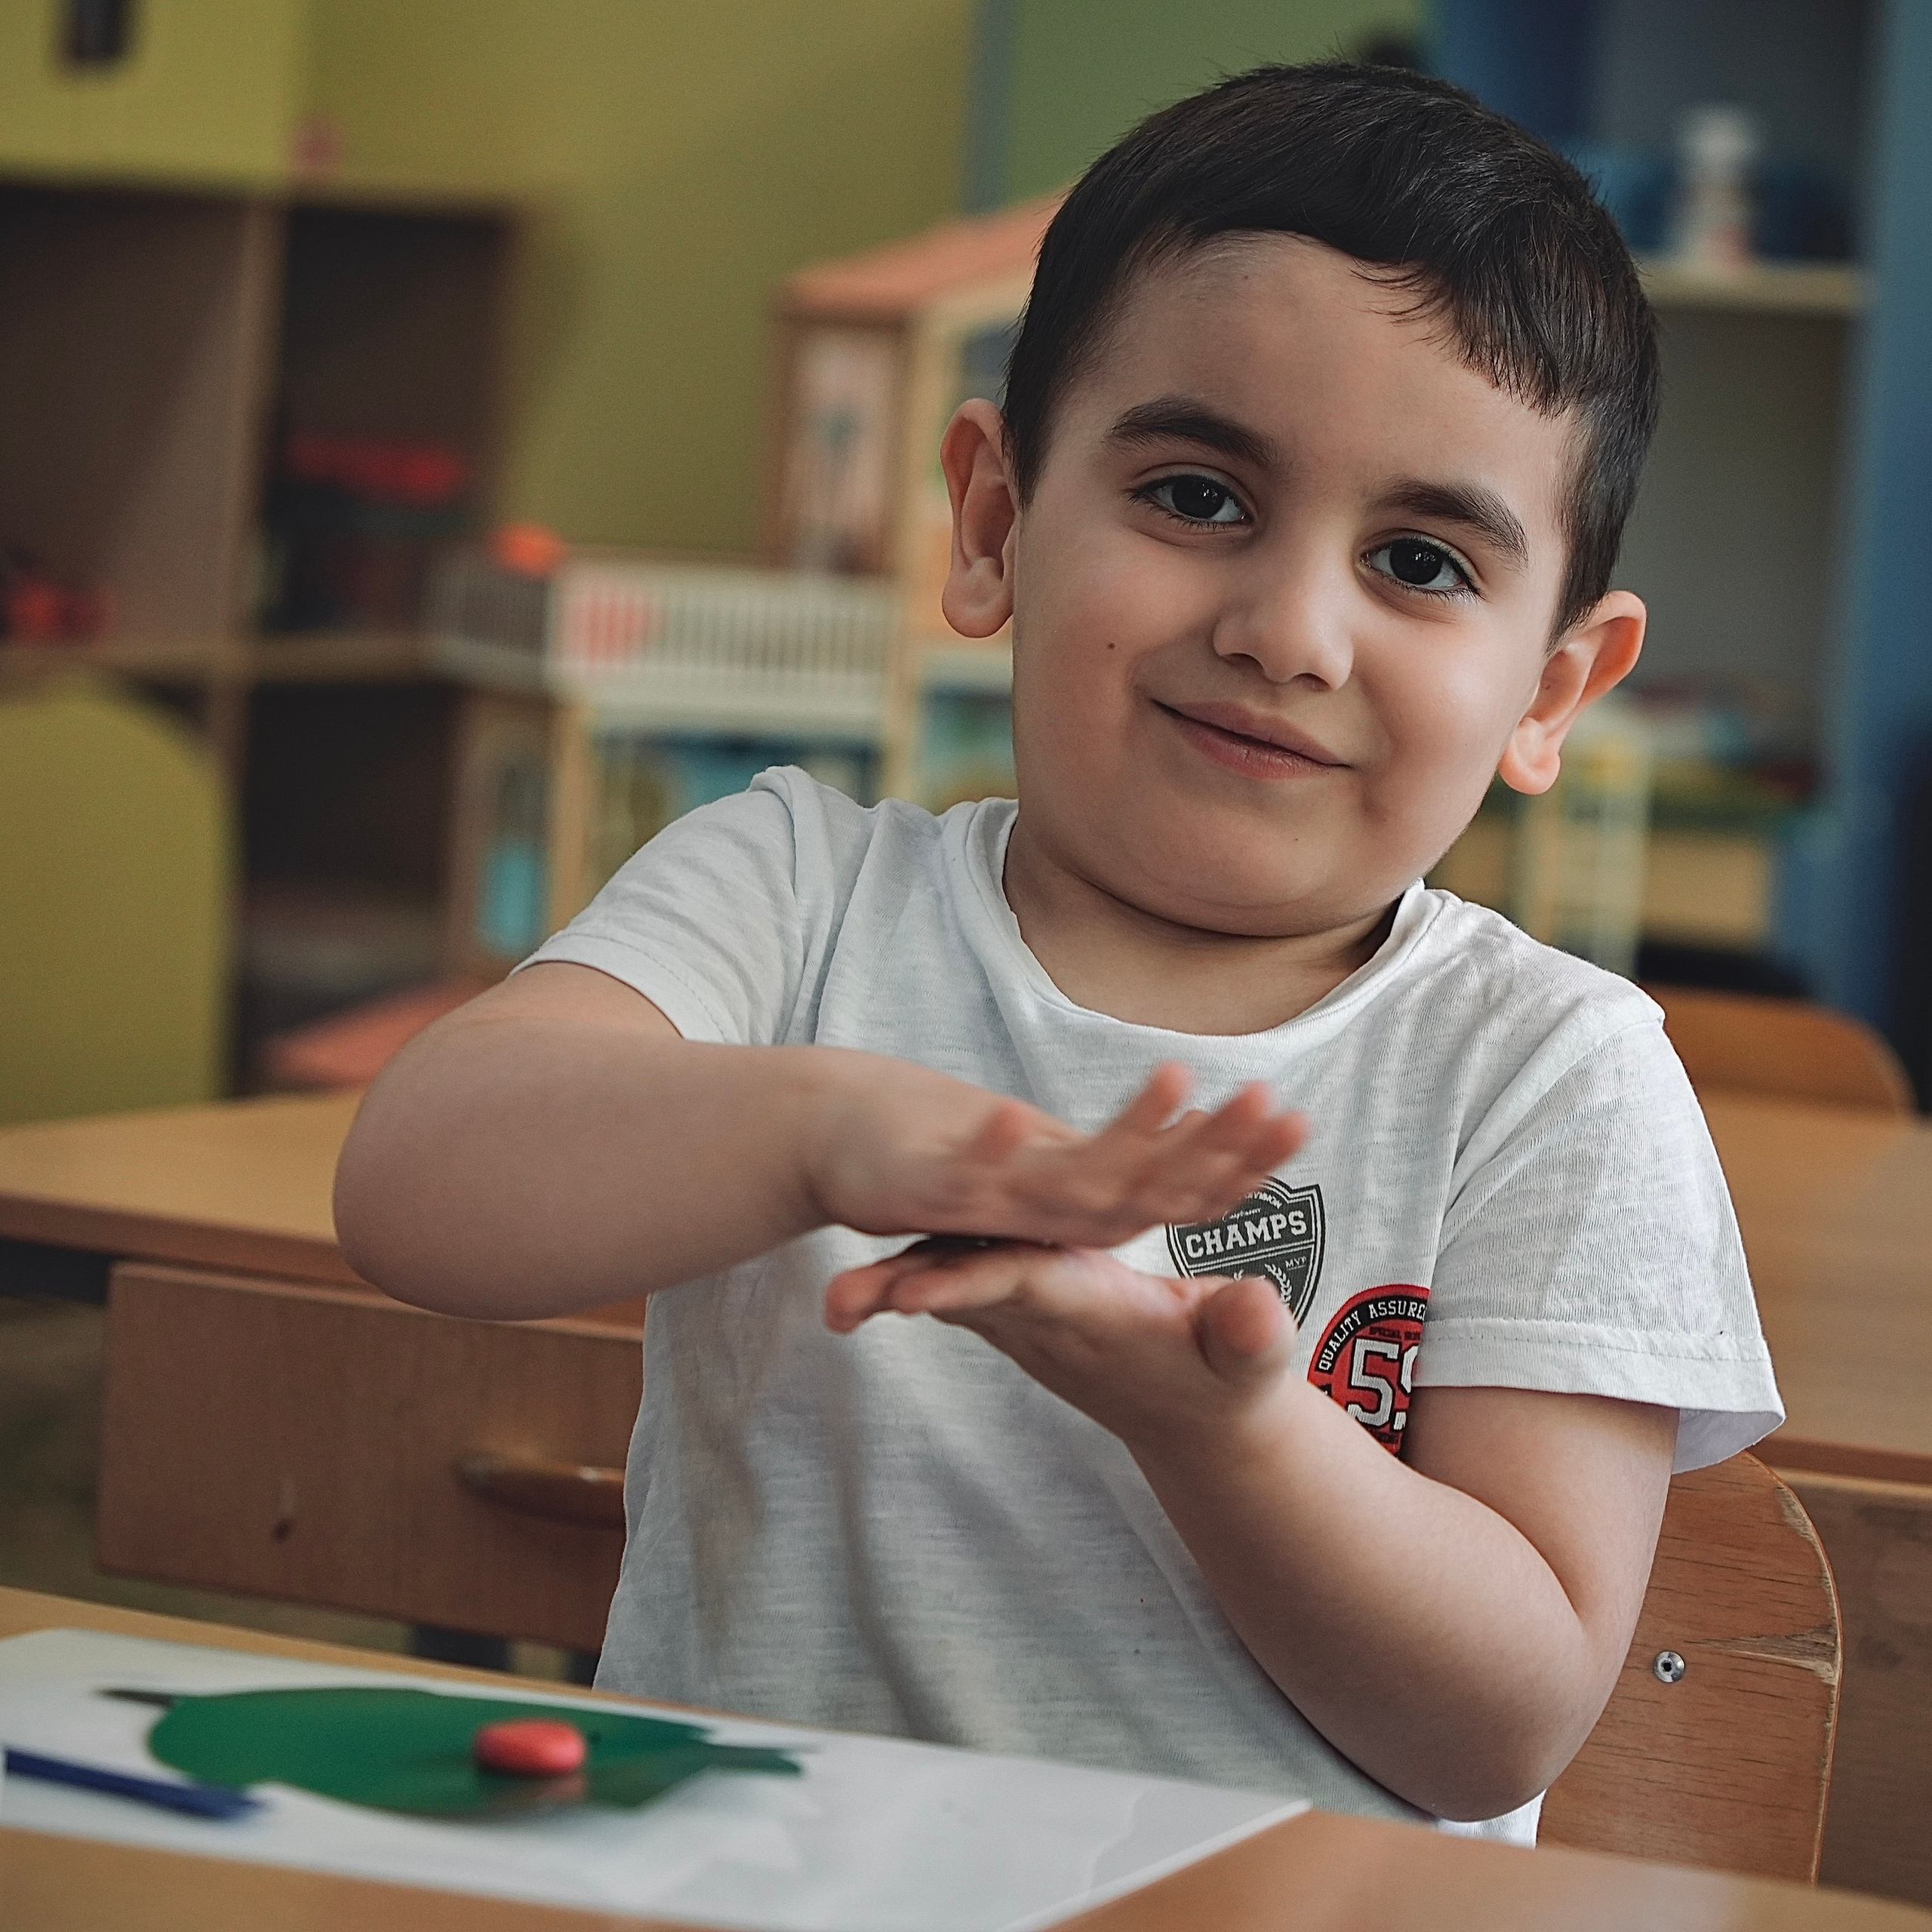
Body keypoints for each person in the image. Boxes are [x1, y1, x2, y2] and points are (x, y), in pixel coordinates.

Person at [335, 62, 1782, 1841]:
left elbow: (1502, 1724)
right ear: (998, 520)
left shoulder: (1551, 1069)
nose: (1286, 628)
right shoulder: (796, 892)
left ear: (1551, 686)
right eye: (1195, 496)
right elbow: (414, 1186)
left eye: (1415, 557)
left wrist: (1226, 1432)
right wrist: (815, 1130)